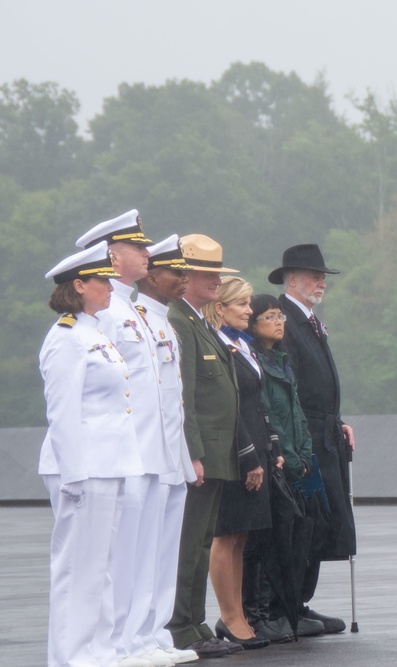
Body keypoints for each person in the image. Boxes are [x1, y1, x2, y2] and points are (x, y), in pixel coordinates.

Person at [75, 211, 176, 667]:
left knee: (147, 554)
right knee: (121, 557)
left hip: (151, 450)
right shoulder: (105, 312)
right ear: (112, 256)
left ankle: (142, 637)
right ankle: (118, 643)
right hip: (123, 451)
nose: (147, 254)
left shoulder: (133, 308)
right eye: (139, 248)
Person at [38, 242, 144, 667]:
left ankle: (99, 652)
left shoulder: (92, 332)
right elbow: (62, 412)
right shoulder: (65, 337)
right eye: (102, 279)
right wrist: (73, 474)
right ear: (80, 285)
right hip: (82, 466)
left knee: (99, 567)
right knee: (77, 568)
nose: (110, 286)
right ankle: (70, 657)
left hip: (108, 463)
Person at [167, 234, 249, 658]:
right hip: (203, 453)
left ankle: (195, 622)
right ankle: (182, 625)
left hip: (217, 453)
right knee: (189, 543)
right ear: (187, 276)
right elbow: (185, 397)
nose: (218, 282)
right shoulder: (178, 321)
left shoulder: (196, 319)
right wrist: (193, 452)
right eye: (209, 274)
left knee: (201, 542)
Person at [267, 244, 354, 634]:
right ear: (291, 279)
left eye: (322, 276)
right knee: (300, 522)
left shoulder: (309, 321)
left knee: (318, 522)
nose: (321, 282)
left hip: (323, 432)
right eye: (312, 275)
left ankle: (300, 602)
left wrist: (337, 422)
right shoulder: (283, 320)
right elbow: (291, 388)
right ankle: (283, 606)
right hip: (303, 438)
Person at [133, 236, 200, 666]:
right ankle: (133, 641)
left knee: (162, 554)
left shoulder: (163, 322)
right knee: (137, 555)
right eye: (175, 272)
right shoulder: (134, 319)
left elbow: (173, 398)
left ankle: (153, 635)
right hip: (142, 454)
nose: (182, 280)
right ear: (151, 275)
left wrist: (181, 456)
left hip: (168, 454)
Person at [203, 276, 273, 651]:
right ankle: (229, 615)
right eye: (242, 304)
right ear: (220, 308)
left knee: (242, 535)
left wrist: (270, 447)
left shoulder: (240, 345)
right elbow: (226, 407)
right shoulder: (220, 345)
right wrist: (248, 455)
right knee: (226, 534)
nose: (250, 310)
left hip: (256, 448)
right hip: (234, 451)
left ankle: (238, 614)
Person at [247, 292, 316, 642]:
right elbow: (269, 415)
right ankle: (261, 614)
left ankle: (289, 608)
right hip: (276, 460)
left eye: (280, 316)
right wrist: (287, 456)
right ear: (253, 323)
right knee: (268, 542)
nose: (278, 322)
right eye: (269, 316)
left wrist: (304, 454)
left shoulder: (281, 359)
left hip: (296, 460)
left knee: (298, 538)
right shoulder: (255, 359)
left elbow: (296, 413)